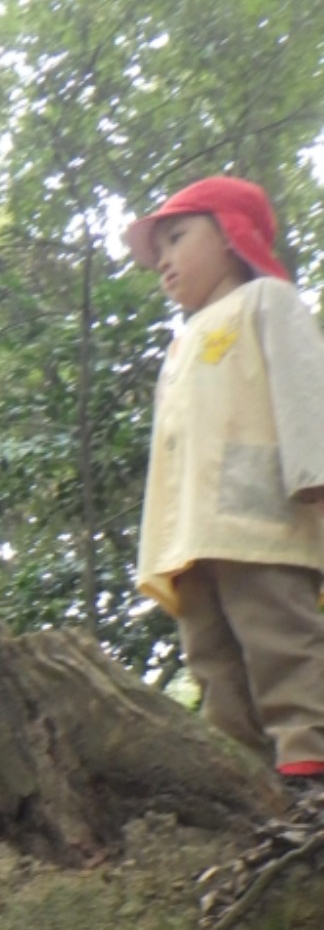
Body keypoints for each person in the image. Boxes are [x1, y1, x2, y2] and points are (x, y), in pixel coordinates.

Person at [127, 174, 324, 801]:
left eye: (177, 237)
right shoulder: (180, 344)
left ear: (232, 234)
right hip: (190, 535)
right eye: (158, 249)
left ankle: (308, 762)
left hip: (261, 517)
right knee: (211, 662)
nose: (163, 260)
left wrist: (315, 474)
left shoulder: (269, 300)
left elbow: (304, 388)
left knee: (279, 641)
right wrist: (158, 546)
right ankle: (244, 783)